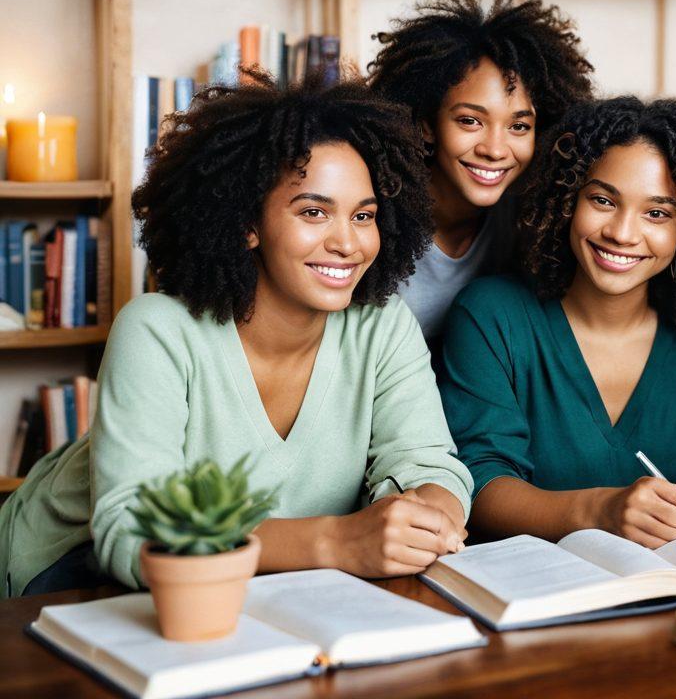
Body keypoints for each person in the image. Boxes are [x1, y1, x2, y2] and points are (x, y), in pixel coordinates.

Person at [0, 76, 472, 597]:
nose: (347, 243)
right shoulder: (157, 330)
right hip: (69, 573)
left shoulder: (381, 326)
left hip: (267, 585)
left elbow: (428, 464)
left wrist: (430, 511)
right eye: (314, 212)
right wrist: (334, 542)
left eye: (364, 216)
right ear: (248, 222)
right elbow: (132, 532)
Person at [440, 98, 676, 548]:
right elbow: (481, 484)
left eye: (657, 213)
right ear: (567, 199)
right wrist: (599, 511)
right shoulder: (492, 315)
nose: (622, 233)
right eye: (603, 200)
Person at [366, 0, 594, 357]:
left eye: (519, 126)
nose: (495, 149)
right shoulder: (375, 215)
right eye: (471, 121)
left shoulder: (533, 220)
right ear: (426, 124)